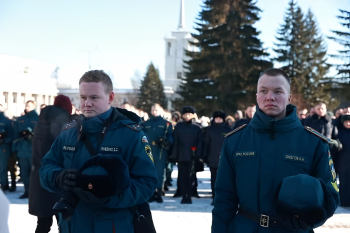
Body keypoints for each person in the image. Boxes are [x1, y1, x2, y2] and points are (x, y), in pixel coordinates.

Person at [212, 68, 339, 232]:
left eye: (278, 91)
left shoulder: (313, 142)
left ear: (289, 98)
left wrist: (309, 219)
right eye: (263, 91)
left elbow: (331, 194)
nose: (270, 97)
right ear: (256, 96)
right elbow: (224, 198)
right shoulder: (236, 141)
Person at [40, 70, 157, 233]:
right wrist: (58, 177)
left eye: (94, 97)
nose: (87, 103)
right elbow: (46, 166)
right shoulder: (68, 133)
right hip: (73, 223)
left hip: (112, 224)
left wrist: (110, 195)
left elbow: (147, 182)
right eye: (83, 98)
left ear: (110, 97)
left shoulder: (131, 135)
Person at [29, 95, 72, 233]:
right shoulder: (60, 122)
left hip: (40, 178)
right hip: (57, 179)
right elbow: (65, 151)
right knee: (64, 224)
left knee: (43, 223)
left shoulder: (41, 121)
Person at [171, 106, 203, 204]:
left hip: (192, 156)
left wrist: (198, 155)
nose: (187, 116)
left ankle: (189, 196)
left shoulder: (197, 127)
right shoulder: (178, 127)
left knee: (191, 177)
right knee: (182, 177)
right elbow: (175, 142)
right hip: (181, 155)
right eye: (185, 114)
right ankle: (183, 195)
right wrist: (174, 156)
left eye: (189, 114)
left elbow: (200, 142)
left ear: (192, 115)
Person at [142, 103, 173, 203]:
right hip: (148, 150)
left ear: (160, 111)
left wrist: (166, 141)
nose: (154, 112)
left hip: (160, 151)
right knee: (149, 172)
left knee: (160, 172)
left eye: (156, 110)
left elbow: (170, 137)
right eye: (152, 110)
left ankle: (159, 192)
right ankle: (151, 193)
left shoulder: (166, 123)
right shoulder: (146, 123)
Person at [203, 111, 231, 205]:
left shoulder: (228, 129)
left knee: (224, 180)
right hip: (212, 157)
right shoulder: (209, 130)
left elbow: (230, 144)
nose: (218, 120)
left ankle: (222, 198)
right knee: (214, 179)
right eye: (216, 118)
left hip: (224, 158)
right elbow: (206, 144)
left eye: (220, 118)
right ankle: (214, 197)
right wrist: (205, 156)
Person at [12, 100, 39, 198]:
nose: (27, 107)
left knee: (34, 173)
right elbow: (15, 135)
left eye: (29, 106)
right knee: (24, 172)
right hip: (22, 150)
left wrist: (31, 135)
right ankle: (27, 191)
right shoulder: (20, 119)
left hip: (33, 150)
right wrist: (14, 149)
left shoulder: (38, 119)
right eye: (26, 105)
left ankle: (34, 192)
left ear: (34, 107)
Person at [334, 113, 350, 207]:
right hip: (342, 162)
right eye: (346, 122)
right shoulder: (338, 132)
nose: (348, 123)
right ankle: (344, 201)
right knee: (343, 183)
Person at [0, 104, 14, 191]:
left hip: (3, 148)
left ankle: (4, 185)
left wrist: (4, 140)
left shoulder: (6, 121)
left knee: (2, 168)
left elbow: (12, 136)